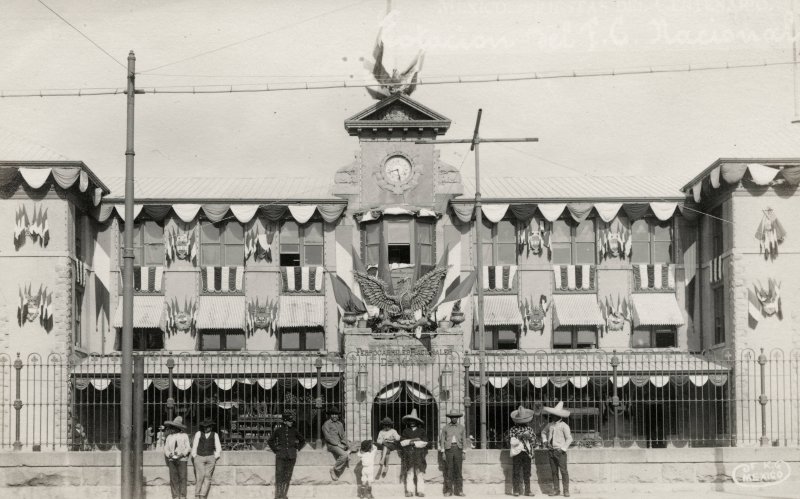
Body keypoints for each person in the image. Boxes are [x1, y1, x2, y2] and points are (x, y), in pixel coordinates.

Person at [268, 409, 306, 499]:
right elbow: (270, 441)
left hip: (291, 456)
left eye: (292, 421)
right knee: (279, 475)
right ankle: (278, 496)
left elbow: (303, 440)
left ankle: (284, 495)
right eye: (289, 421)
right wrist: (276, 449)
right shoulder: (278, 430)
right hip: (280, 455)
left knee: (287, 475)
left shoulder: (294, 430)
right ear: (284, 421)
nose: (291, 423)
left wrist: (297, 448)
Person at [541, 402, 573, 497]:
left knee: (563, 471)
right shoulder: (550, 425)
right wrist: (545, 441)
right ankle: (556, 490)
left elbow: (569, 439)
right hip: (551, 451)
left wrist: (563, 448)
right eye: (552, 415)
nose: (552, 416)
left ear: (559, 416)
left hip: (560, 452)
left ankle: (566, 490)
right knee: (554, 471)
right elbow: (543, 432)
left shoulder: (564, 426)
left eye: (554, 415)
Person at [509, 405, 537, 497]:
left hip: (526, 452)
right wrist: (519, 437)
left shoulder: (529, 429)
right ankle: (516, 490)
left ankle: (528, 491)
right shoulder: (513, 429)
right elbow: (510, 440)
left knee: (527, 472)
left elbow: (534, 442)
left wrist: (529, 438)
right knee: (516, 471)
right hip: (517, 452)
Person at [400, 408, 428, 498]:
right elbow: (402, 442)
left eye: (414, 420)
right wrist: (412, 441)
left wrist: (413, 442)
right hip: (409, 455)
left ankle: (420, 491)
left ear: (417, 422)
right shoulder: (405, 431)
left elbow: (424, 442)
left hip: (419, 454)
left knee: (419, 473)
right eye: (410, 420)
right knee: (409, 473)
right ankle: (409, 491)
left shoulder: (421, 431)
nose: (412, 422)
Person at [438, 410, 467, 497]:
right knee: (449, 470)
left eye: (456, 417)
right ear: (450, 418)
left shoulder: (461, 427)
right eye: (452, 417)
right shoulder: (445, 428)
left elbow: (464, 440)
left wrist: (464, 452)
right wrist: (443, 452)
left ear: (458, 418)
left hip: (458, 449)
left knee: (458, 470)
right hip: (448, 450)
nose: (454, 418)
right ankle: (448, 491)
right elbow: (442, 440)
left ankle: (459, 491)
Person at [191, 418, 221, 499]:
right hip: (199, 457)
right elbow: (194, 446)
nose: (205, 428)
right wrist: (195, 456)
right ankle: (197, 495)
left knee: (208, 477)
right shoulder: (198, 434)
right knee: (200, 477)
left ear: (211, 427)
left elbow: (218, 447)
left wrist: (215, 457)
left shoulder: (215, 435)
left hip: (210, 457)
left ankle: (203, 496)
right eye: (204, 427)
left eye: (207, 427)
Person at [163, 416, 192, 499]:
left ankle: (183, 496)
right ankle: (175, 496)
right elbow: (166, 448)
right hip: (172, 460)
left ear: (178, 428)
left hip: (182, 460)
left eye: (174, 427)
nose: (172, 429)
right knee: (173, 478)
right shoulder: (169, 437)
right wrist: (170, 455)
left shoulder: (184, 436)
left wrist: (182, 454)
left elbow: (188, 447)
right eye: (172, 427)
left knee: (182, 478)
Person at [322, 406, 350, 481]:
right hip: (332, 445)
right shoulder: (326, 424)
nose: (334, 416)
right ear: (330, 415)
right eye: (332, 414)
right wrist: (338, 445)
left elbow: (343, 436)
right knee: (344, 455)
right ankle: (334, 470)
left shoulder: (340, 424)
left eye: (336, 414)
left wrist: (347, 444)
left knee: (352, 449)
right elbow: (328, 438)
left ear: (338, 415)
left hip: (340, 444)